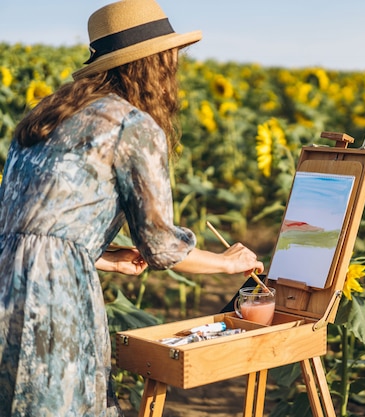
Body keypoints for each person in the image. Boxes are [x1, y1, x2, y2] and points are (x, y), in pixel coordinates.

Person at [0, 0, 265, 415]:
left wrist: (104, 257)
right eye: (171, 58)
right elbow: (160, 246)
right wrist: (226, 262)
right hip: (51, 296)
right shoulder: (131, 125)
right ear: (153, 64)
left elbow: (26, 225)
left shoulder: (43, 117)